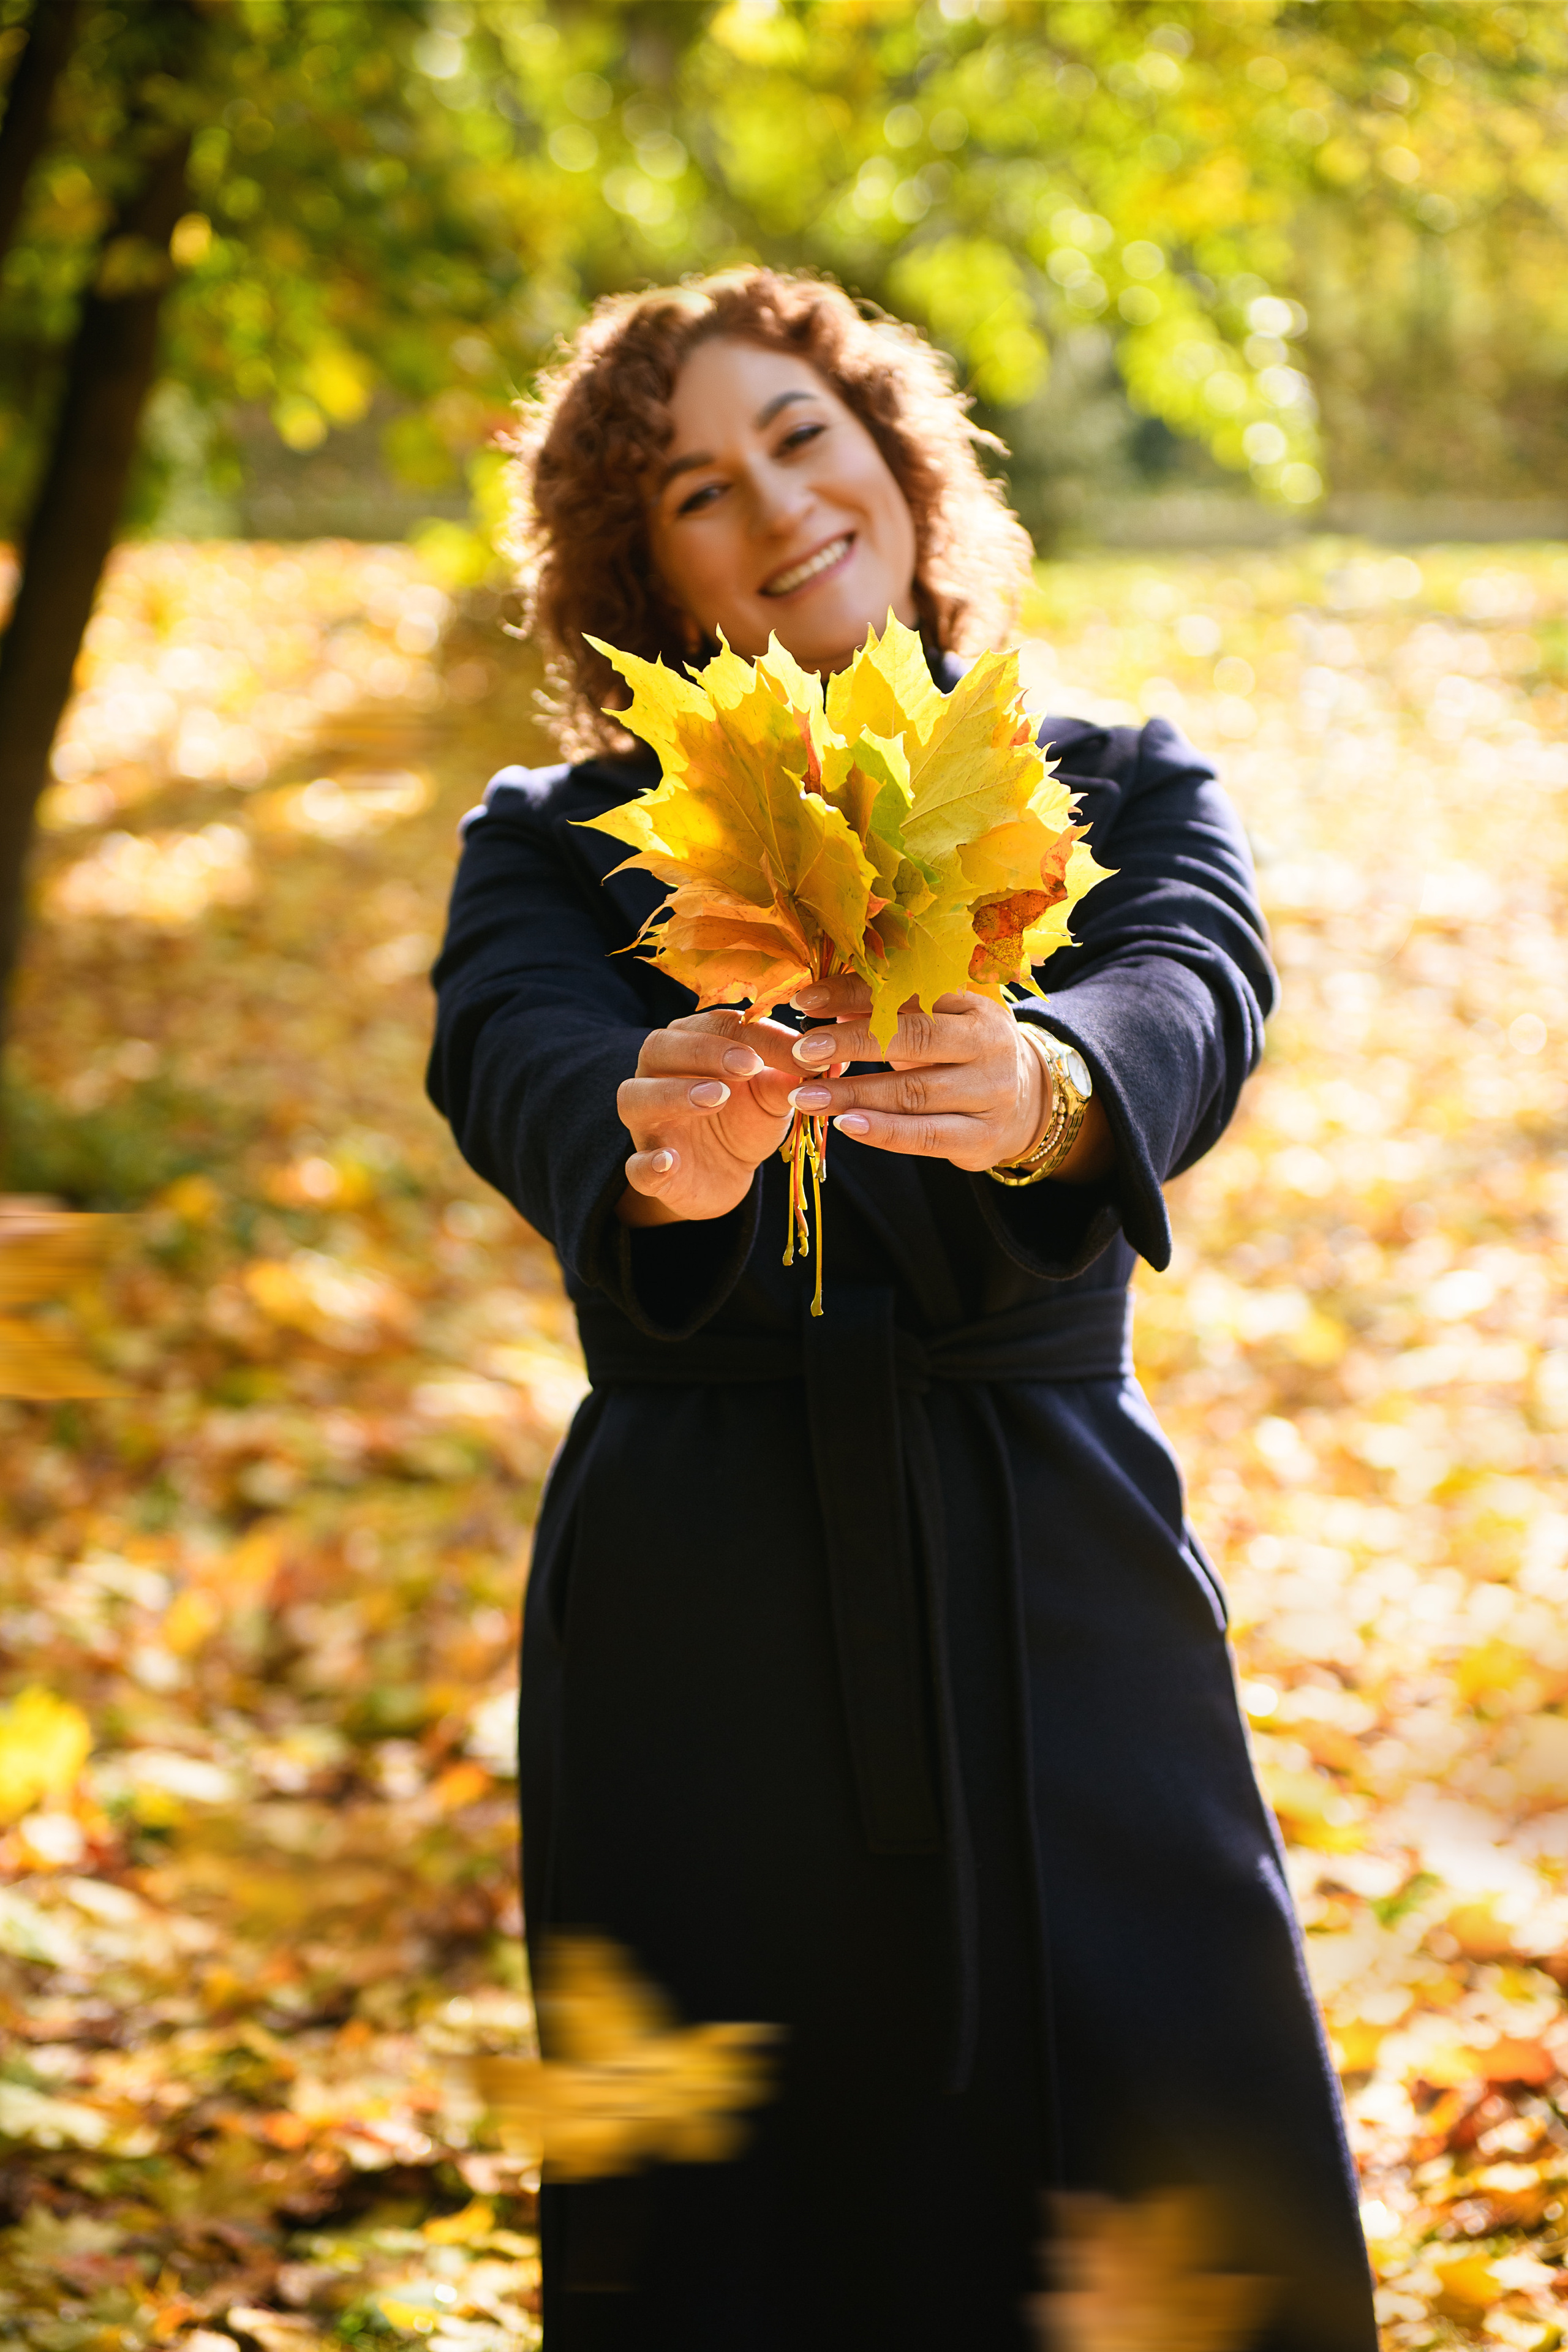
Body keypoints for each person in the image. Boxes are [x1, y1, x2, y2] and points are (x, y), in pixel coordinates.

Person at [427, 269, 1376, 2352]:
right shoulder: (557, 846)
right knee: (737, 2224)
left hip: (1056, 1552)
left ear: (891, 455)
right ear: (635, 561)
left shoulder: (1108, 778)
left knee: (1179, 2164)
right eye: (697, 487)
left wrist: (1053, 1089)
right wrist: (640, 1136)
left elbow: (1192, 980)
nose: (775, 505)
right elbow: (507, 1046)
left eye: (801, 435)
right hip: (694, 1594)